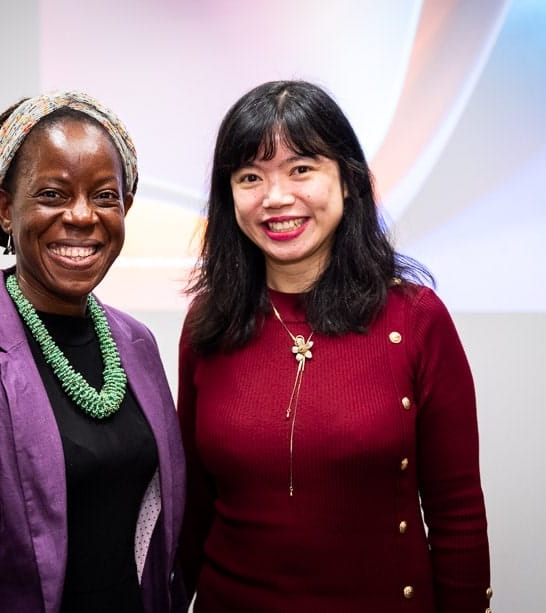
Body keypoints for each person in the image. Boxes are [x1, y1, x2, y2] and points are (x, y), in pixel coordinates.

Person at [177, 80, 491, 612]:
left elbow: (456, 510)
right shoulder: (209, 322)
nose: (276, 198)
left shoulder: (415, 319)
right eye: (250, 177)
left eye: (301, 169)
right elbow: (194, 507)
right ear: (228, 198)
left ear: (348, 180)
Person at [0, 91, 187, 612]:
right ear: (5, 210)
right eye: (52, 194)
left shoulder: (137, 343)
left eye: (105, 196)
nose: (83, 216)